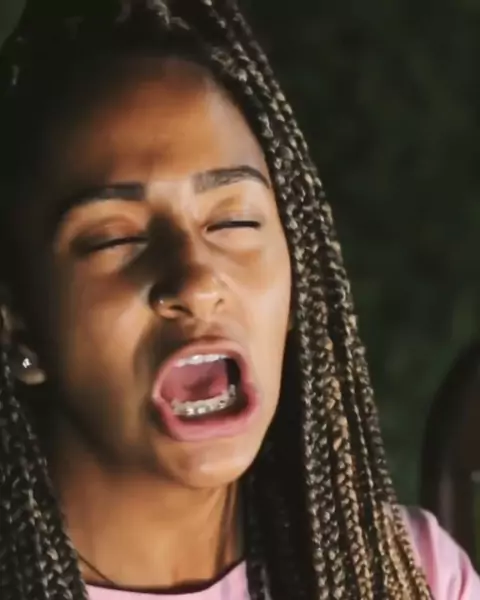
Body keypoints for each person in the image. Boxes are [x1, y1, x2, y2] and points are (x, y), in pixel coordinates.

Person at [0, 1, 478, 598]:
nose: (197, 281)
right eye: (115, 238)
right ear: (16, 320)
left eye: (234, 223)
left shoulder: (410, 575)